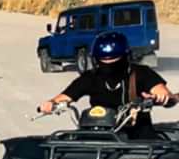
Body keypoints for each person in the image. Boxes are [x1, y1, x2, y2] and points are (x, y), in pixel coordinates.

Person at [39, 31, 177, 137]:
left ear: (126, 56)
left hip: (137, 135)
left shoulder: (140, 73)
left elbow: (162, 92)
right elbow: (66, 96)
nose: (108, 64)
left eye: (114, 59)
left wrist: (161, 96)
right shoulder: (90, 77)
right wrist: (51, 104)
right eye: (103, 60)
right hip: (98, 133)